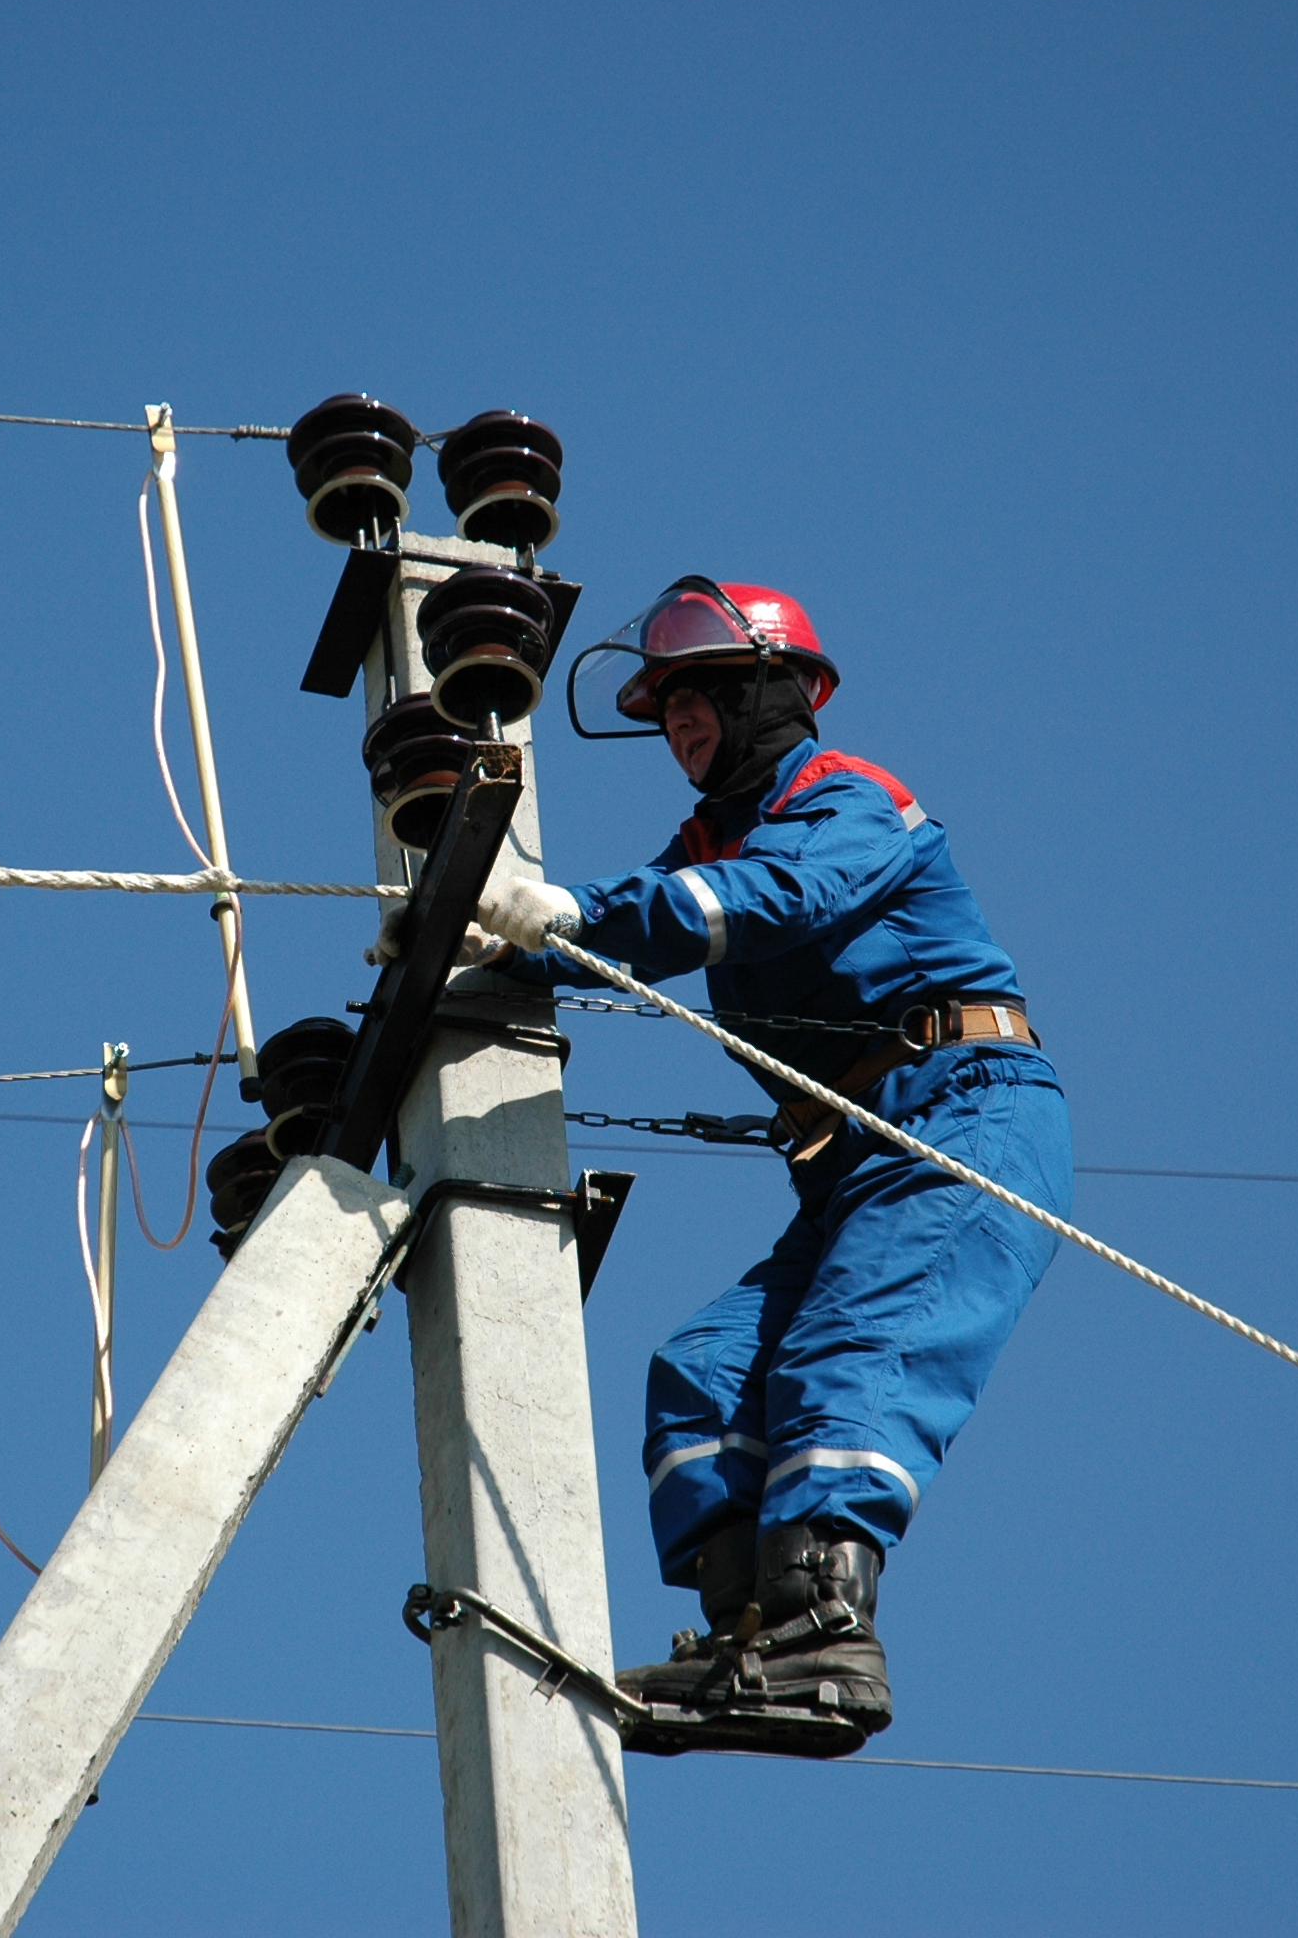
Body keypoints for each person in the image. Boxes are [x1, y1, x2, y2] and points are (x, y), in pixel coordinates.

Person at [465, 575, 1074, 1757]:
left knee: (847, 1350)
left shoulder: (847, 799)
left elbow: (768, 899)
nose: (677, 721)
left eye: (696, 692)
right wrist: (480, 947)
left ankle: (825, 1633)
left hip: (961, 1118)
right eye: (663, 705)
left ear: (772, 690)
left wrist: (556, 912)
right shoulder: (713, 843)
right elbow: (621, 930)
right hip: (855, 1167)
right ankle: (749, 1639)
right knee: (701, 1373)